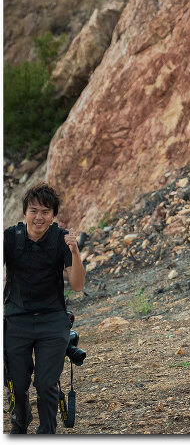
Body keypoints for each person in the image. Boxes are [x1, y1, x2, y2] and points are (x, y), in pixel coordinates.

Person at [3, 183, 85, 434]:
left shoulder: (61, 240)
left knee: (46, 382)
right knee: (16, 383)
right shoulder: (9, 238)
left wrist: (75, 251)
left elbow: (77, 285)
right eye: (33, 210)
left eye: (45, 212)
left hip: (52, 320)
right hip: (16, 319)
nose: (39, 217)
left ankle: (47, 432)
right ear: (25, 212)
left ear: (53, 215)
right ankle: (21, 418)